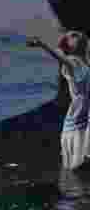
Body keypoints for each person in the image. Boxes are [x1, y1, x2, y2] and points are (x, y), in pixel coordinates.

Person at [27, 32, 89, 171]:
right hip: (80, 107)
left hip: (85, 106)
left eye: (76, 35)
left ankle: (80, 160)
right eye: (73, 36)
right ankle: (78, 161)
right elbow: (60, 57)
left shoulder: (83, 60)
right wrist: (42, 45)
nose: (77, 36)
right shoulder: (73, 61)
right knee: (78, 139)